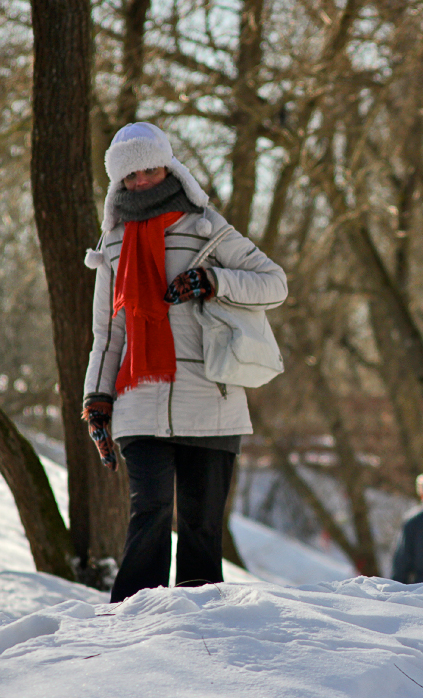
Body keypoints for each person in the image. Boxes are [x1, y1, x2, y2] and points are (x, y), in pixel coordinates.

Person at [81, 122, 287, 603]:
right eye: (131, 175)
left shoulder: (206, 226)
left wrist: (213, 280)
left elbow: (274, 283)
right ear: (119, 182)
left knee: (200, 524)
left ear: (168, 166)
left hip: (211, 398)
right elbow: (108, 333)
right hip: (139, 399)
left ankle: (198, 630)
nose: (142, 181)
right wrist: (96, 399)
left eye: (150, 168)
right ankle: (131, 619)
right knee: (149, 508)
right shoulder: (112, 242)